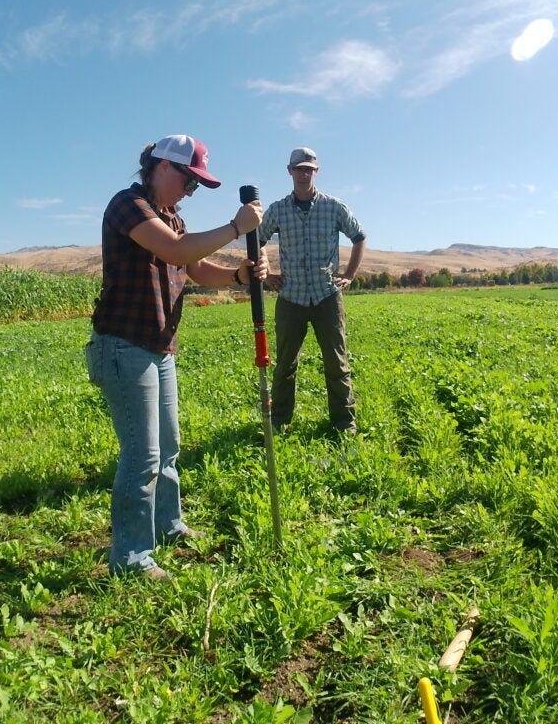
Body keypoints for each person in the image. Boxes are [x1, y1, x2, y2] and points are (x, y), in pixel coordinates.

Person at [86, 135, 266, 581]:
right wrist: (235, 227)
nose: (191, 192)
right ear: (163, 167)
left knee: (167, 449)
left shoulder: (171, 218)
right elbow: (176, 252)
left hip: (158, 346)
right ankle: (129, 558)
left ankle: (168, 526)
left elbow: (193, 268)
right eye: (190, 182)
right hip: (124, 345)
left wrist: (239, 274)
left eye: (197, 187)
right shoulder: (128, 205)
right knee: (142, 457)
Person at [260, 147, 366, 435]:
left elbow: (359, 237)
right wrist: (267, 274)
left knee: (337, 363)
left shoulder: (334, 207)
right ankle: (280, 422)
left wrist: (350, 275)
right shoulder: (278, 209)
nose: (304, 173)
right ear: (290, 171)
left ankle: (345, 424)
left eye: (309, 169)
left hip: (326, 296)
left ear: (316, 172)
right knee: (285, 365)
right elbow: (257, 239)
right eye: (299, 168)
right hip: (291, 297)